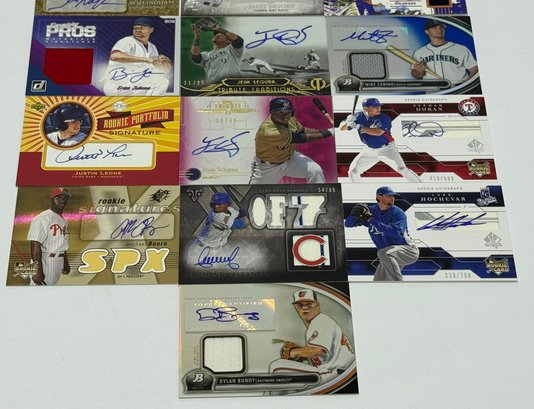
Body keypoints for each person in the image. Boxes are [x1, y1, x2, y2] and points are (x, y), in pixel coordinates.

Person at [269, 289, 355, 386]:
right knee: (288, 383)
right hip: (338, 373)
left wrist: (293, 352)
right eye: (300, 305)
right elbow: (322, 354)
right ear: (296, 308)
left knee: (277, 366)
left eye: (309, 304)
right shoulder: (315, 327)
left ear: (317, 305)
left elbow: (318, 350)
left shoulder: (321, 320)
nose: (304, 308)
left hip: (335, 373)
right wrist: (301, 355)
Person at [250, 98, 334, 184]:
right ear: (271, 112)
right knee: (252, 191)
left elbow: (303, 131)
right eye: (280, 112)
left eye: (288, 111)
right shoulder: (268, 130)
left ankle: (317, 192)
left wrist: (327, 130)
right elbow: (302, 138)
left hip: (290, 159)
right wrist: (331, 132)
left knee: (315, 171)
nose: (285, 115)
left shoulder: (290, 119)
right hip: (267, 167)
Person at [345, 186, 419, 281]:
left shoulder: (398, 213)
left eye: (393, 196)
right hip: (389, 254)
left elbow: (395, 233)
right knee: (378, 282)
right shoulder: (371, 211)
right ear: (379, 197)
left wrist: (371, 219)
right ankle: (390, 288)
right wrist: (354, 215)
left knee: (384, 253)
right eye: (389, 196)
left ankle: (399, 285)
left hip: (408, 250)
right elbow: (348, 224)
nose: (392, 198)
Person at [340, 98, 421, 183]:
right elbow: (342, 128)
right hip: (369, 150)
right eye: (374, 107)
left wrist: (358, 126)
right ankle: (359, 189)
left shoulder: (384, 118)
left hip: (387, 149)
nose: (378, 108)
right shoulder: (358, 116)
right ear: (365, 109)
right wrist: (347, 122)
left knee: (402, 169)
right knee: (353, 172)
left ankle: (420, 185)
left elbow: (378, 132)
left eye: (378, 106)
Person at [103, 17, 171, 96]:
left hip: (135, 84)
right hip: (117, 86)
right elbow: (114, 56)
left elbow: (152, 69)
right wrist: (147, 59)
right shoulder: (127, 41)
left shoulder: (152, 47)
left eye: (142, 28)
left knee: (161, 81)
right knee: (161, 82)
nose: (138, 30)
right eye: (135, 28)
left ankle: (146, 103)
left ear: (151, 30)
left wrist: (162, 67)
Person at [411, 19, 478, 85]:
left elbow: (474, 69)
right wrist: (418, 72)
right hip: (432, 88)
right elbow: (416, 75)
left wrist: (466, 85)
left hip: (458, 86)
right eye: (434, 27)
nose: (439, 29)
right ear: (426, 32)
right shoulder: (419, 52)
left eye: (441, 27)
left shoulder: (461, 49)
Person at [27, 188, 71, 285]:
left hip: (58, 261)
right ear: (52, 199)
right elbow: (35, 244)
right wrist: (37, 270)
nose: (62, 200)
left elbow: (62, 243)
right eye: (59, 198)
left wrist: (65, 262)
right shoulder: (42, 218)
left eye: (65, 198)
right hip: (46, 261)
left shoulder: (63, 220)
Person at [187, 192, 247, 264]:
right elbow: (239, 224)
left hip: (216, 249)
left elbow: (239, 213)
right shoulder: (216, 216)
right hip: (200, 250)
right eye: (214, 204)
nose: (216, 206)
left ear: (227, 204)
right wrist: (251, 219)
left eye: (219, 204)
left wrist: (248, 212)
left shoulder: (230, 210)